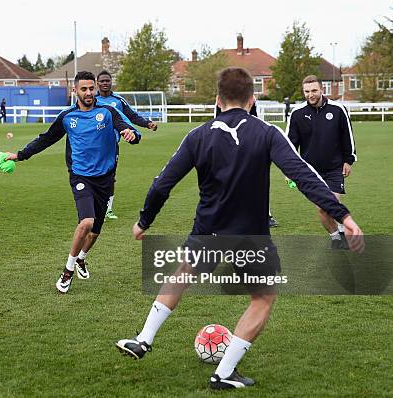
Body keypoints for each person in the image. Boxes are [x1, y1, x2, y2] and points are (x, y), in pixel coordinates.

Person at [115, 67, 364, 389]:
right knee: (262, 298)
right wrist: (343, 216)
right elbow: (304, 177)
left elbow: (162, 184)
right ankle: (224, 372)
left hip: (207, 231)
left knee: (182, 274)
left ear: (217, 100)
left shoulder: (198, 135)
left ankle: (143, 339)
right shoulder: (267, 133)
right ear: (252, 99)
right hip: (251, 236)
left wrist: (144, 221)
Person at [6, 71, 140, 294]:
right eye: (84, 89)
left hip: (105, 178)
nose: (88, 93)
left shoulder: (108, 111)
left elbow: (128, 129)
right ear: (75, 91)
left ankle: (81, 259)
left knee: (95, 231)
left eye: (91, 88)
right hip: (80, 176)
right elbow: (46, 138)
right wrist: (21, 155)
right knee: (86, 221)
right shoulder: (67, 116)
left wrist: (132, 135)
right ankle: (67, 272)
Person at [286, 75, 357, 249]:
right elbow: (289, 145)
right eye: (307, 91)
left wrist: (349, 160)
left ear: (321, 90)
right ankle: (336, 237)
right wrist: (289, 170)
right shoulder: (297, 114)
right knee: (322, 208)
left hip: (334, 167)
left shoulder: (338, 109)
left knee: (331, 202)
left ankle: (340, 230)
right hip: (310, 171)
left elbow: (347, 136)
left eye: (314, 91)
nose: (311, 95)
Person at [95, 70, 157, 220]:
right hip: (92, 145)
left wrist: (147, 124)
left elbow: (132, 116)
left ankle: (108, 209)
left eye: (107, 81)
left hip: (111, 145)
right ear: (97, 83)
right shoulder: (92, 99)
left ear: (111, 82)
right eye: (102, 81)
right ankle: (93, 205)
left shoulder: (118, 101)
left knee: (110, 177)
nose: (105, 83)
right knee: (92, 175)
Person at [216, 99, 279, 228]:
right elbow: (217, 121)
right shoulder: (223, 101)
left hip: (249, 149)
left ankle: (266, 215)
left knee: (256, 184)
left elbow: (256, 121)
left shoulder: (249, 102)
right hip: (230, 150)